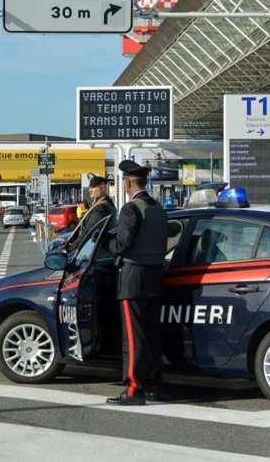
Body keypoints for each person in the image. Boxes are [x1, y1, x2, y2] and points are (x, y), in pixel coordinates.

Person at [105, 160, 169, 406]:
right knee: (152, 335)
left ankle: (134, 389)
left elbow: (121, 245)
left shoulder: (131, 209)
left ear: (127, 182)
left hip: (133, 278)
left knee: (133, 338)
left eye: (123, 180)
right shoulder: (158, 208)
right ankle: (153, 386)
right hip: (155, 276)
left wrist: (104, 245)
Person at [68, 174, 118, 251]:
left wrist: (70, 248)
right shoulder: (103, 203)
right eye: (89, 187)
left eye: (93, 187)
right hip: (96, 248)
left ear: (102, 188)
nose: (89, 190)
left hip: (94, 251)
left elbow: (88, 232)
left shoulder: (101, 207)